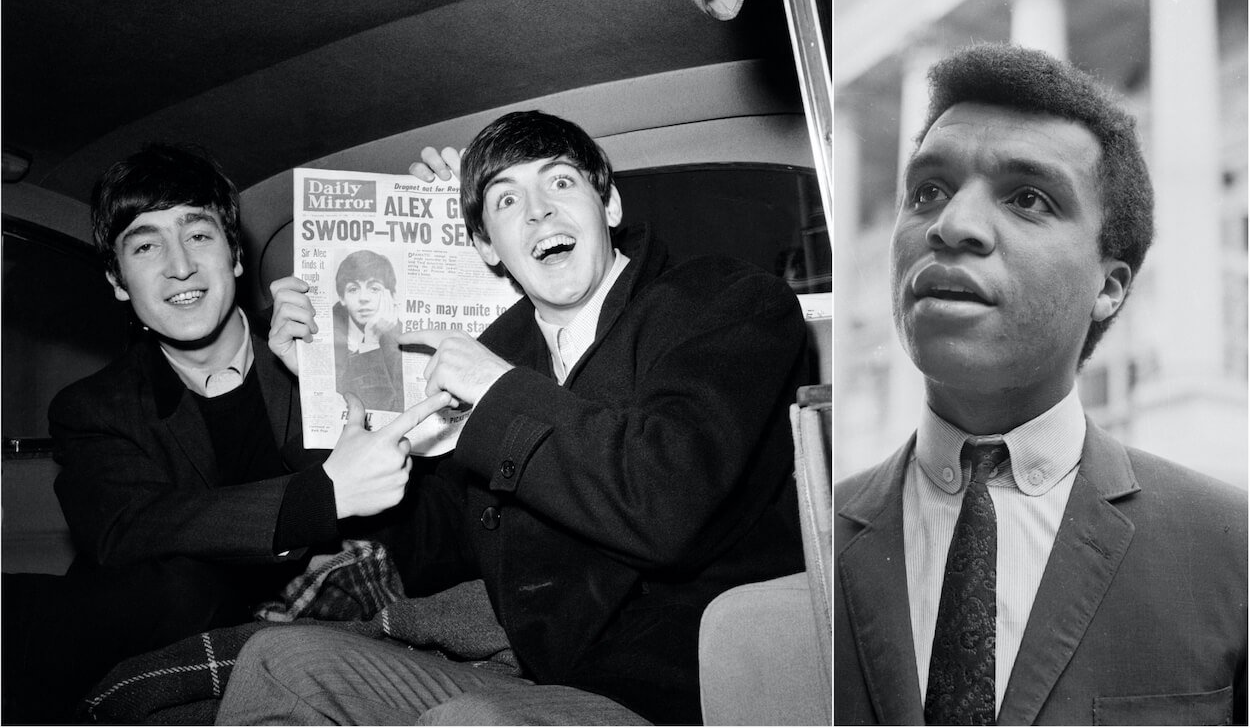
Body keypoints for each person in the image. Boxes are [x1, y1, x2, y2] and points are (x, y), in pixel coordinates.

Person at [217, 110, 809, 725]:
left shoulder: (722, 299)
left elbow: (666, 503)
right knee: (278, 660)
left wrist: (496, 388)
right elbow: (436, 547)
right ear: (486, 247)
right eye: (506, 201)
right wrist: (319, 392)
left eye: (559, 183)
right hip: (551, 683)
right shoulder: (506, 352)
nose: (537, 212)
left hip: (687, 691)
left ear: (608, 206)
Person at [834, 43, 1247, 725]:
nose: (951, 225)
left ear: (1109, 288)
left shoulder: (1234, 550)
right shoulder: (816, 536)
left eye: (1028, 198)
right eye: (927, 190)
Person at [2, 143, 452, 722]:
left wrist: (463, 214)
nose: (179, 265)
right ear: (117, 280)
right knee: (183, 587)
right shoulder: (92, 406)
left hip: (304, 622)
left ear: (236, 256)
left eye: (198, 235)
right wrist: (318, 498)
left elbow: (428, 501)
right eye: (144, 245)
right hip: (158, 629)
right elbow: (128, 529)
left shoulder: (322, 352)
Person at [331, 249, 404, 413]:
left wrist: (370, 343)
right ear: (342, 297)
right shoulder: (326, 333)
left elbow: (391, 409)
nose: (363, 298)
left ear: (390, 295)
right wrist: (370, 343)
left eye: (374, 288)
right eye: (353, 289)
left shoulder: (404, 339)